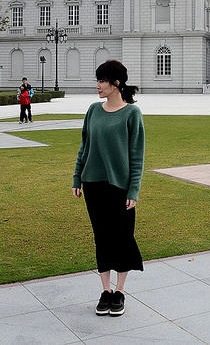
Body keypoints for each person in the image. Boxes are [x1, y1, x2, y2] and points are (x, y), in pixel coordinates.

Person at [72, 60, 145, 317]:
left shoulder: (131, 114)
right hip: (93, 184)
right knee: (102, 238)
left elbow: (137, 156)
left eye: (102, 81)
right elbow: (84, 146)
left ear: (116, 84)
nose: (98, 86)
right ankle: (105, 291)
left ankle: (120, 291)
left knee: (123, 238)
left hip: (120, 187)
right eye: (97, 80)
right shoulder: (93, 110)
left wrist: (133, 191)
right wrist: (76, 178)